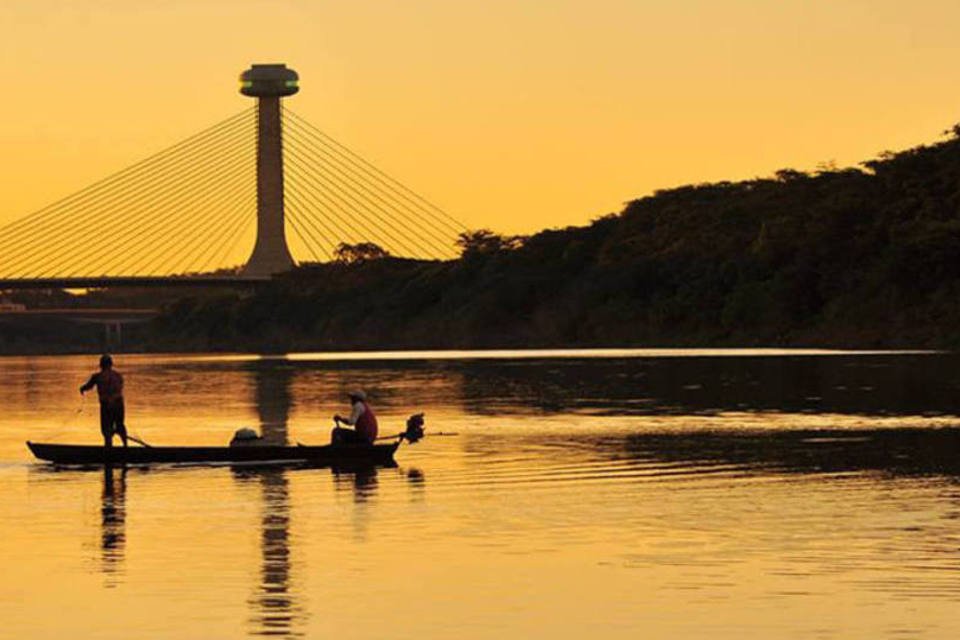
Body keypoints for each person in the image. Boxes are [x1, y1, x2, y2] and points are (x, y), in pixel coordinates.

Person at [80, 354, 128, 448]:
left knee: (107, 428)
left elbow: (88, 386)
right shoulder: (118, 376)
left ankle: (108, 448)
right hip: (119, 404)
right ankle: (125, 447)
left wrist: (82, 389)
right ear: (111, 364)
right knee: (120, 425)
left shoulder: (97, 376)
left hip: (106, 406)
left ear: (101, 365)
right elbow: (119, 388)